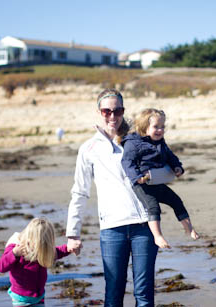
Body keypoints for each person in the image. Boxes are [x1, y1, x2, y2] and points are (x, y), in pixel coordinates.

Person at [67, 89, 168, 306]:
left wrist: (149, 176)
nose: (112, 116)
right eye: (107, 111)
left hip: (144, 225)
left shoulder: (140, 139)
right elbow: (80, 192)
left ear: (123, 111)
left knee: (144, 294)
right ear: (99, 112)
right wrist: (73, 233)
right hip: (112, 229)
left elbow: (170, 170)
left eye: (118, 110)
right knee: (113, 294)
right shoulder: (88, 149)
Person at [121, 108, 199, 249]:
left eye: (162, 127)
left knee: (176, 201)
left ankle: (189, 229)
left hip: (157, 180)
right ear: (144, 127)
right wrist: (137, 177)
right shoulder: (132, 143)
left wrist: (177, 167)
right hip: (142, 184)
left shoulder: (160, 142)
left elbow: (170, 156)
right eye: (156, 127)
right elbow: (127, 162)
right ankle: (158, 237)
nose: (160, 130)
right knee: (153, 207)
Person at [0, 217, 72, 306]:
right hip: (21, 298)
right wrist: (14, 254)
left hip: (39, 296)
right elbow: (1, 267)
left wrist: (68, 248)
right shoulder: (17, 248)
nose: (44, 248)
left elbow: (56, 252)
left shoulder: (43, 249)